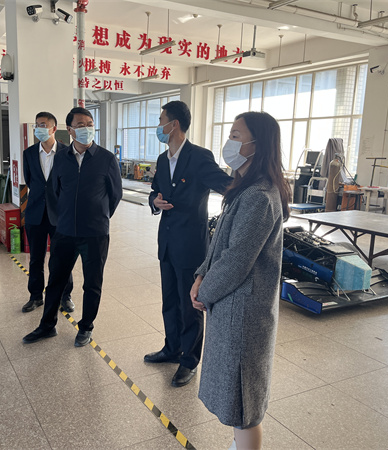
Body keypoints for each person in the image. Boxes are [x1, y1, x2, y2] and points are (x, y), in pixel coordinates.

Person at [190, 111, 291, 450]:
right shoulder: (243, 189)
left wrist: (205, 291)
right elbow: (220, 242)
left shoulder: (260, 196)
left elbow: (237, 260)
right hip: (230, 304)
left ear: (257, 144)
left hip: (243, 313)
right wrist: (201, 275)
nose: (229, 142)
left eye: (236, 135)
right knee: (235, 400)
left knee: (244, 404)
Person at [144, 100, 232, 387]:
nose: (159, 126)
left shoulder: (199, 157)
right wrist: (154, 201)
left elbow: (226, 186)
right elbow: (155, 191)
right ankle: (171, 348)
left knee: (189, 305)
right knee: (169, 300)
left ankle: (189, 360)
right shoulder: (162, 160)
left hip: (191, 244)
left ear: (174, 125)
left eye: (161, 121)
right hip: (167, 243)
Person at [23, 107, 123, 347]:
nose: (86, 129)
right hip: (65, 231)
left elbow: (115, 195)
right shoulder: (61, 158)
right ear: (69, 130)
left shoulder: (106, 159)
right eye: (80, 125)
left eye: (89, 124)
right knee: (56, 280)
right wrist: (65, 216)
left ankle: (86, 327)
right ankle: (47, 325)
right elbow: (55, 191)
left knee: (92, 284)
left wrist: (98, 216)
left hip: (95, 233)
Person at [21, 111, 74, 314]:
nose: (38, 128)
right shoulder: (29, 153)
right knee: (36, 258)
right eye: (37, 125)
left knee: (62, 258)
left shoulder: (67, 152)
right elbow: (31, 181)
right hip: (35, 214)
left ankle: (65, 296)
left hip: (60, 215)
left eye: (43, 124)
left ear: (53, 128)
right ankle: (35, 296)